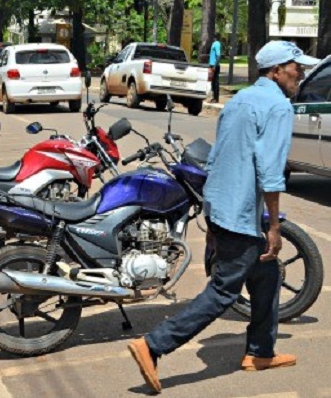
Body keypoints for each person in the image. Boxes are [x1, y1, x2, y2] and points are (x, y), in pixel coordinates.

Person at [127, 40, 319, 394]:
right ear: (276, 71)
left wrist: (212, 214)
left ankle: (260, 351)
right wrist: (274, 226)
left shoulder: (241, 99)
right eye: (296, 68)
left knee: (266, 274)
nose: (301, 74)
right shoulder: (277, 106)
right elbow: (272, 172)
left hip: (221, 205)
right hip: (242, 212)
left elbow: (215, 159)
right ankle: (153, 345)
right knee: (223, 292)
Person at [209, 33, 222, 103]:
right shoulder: (214, 43)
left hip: (215, 65)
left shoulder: (217, 44)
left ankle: (216, 98)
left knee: (215, 82)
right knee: (213, 82)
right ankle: (214, 97)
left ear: (215, 37)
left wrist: (214, 65)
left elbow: (218, 55)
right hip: (212, 64)